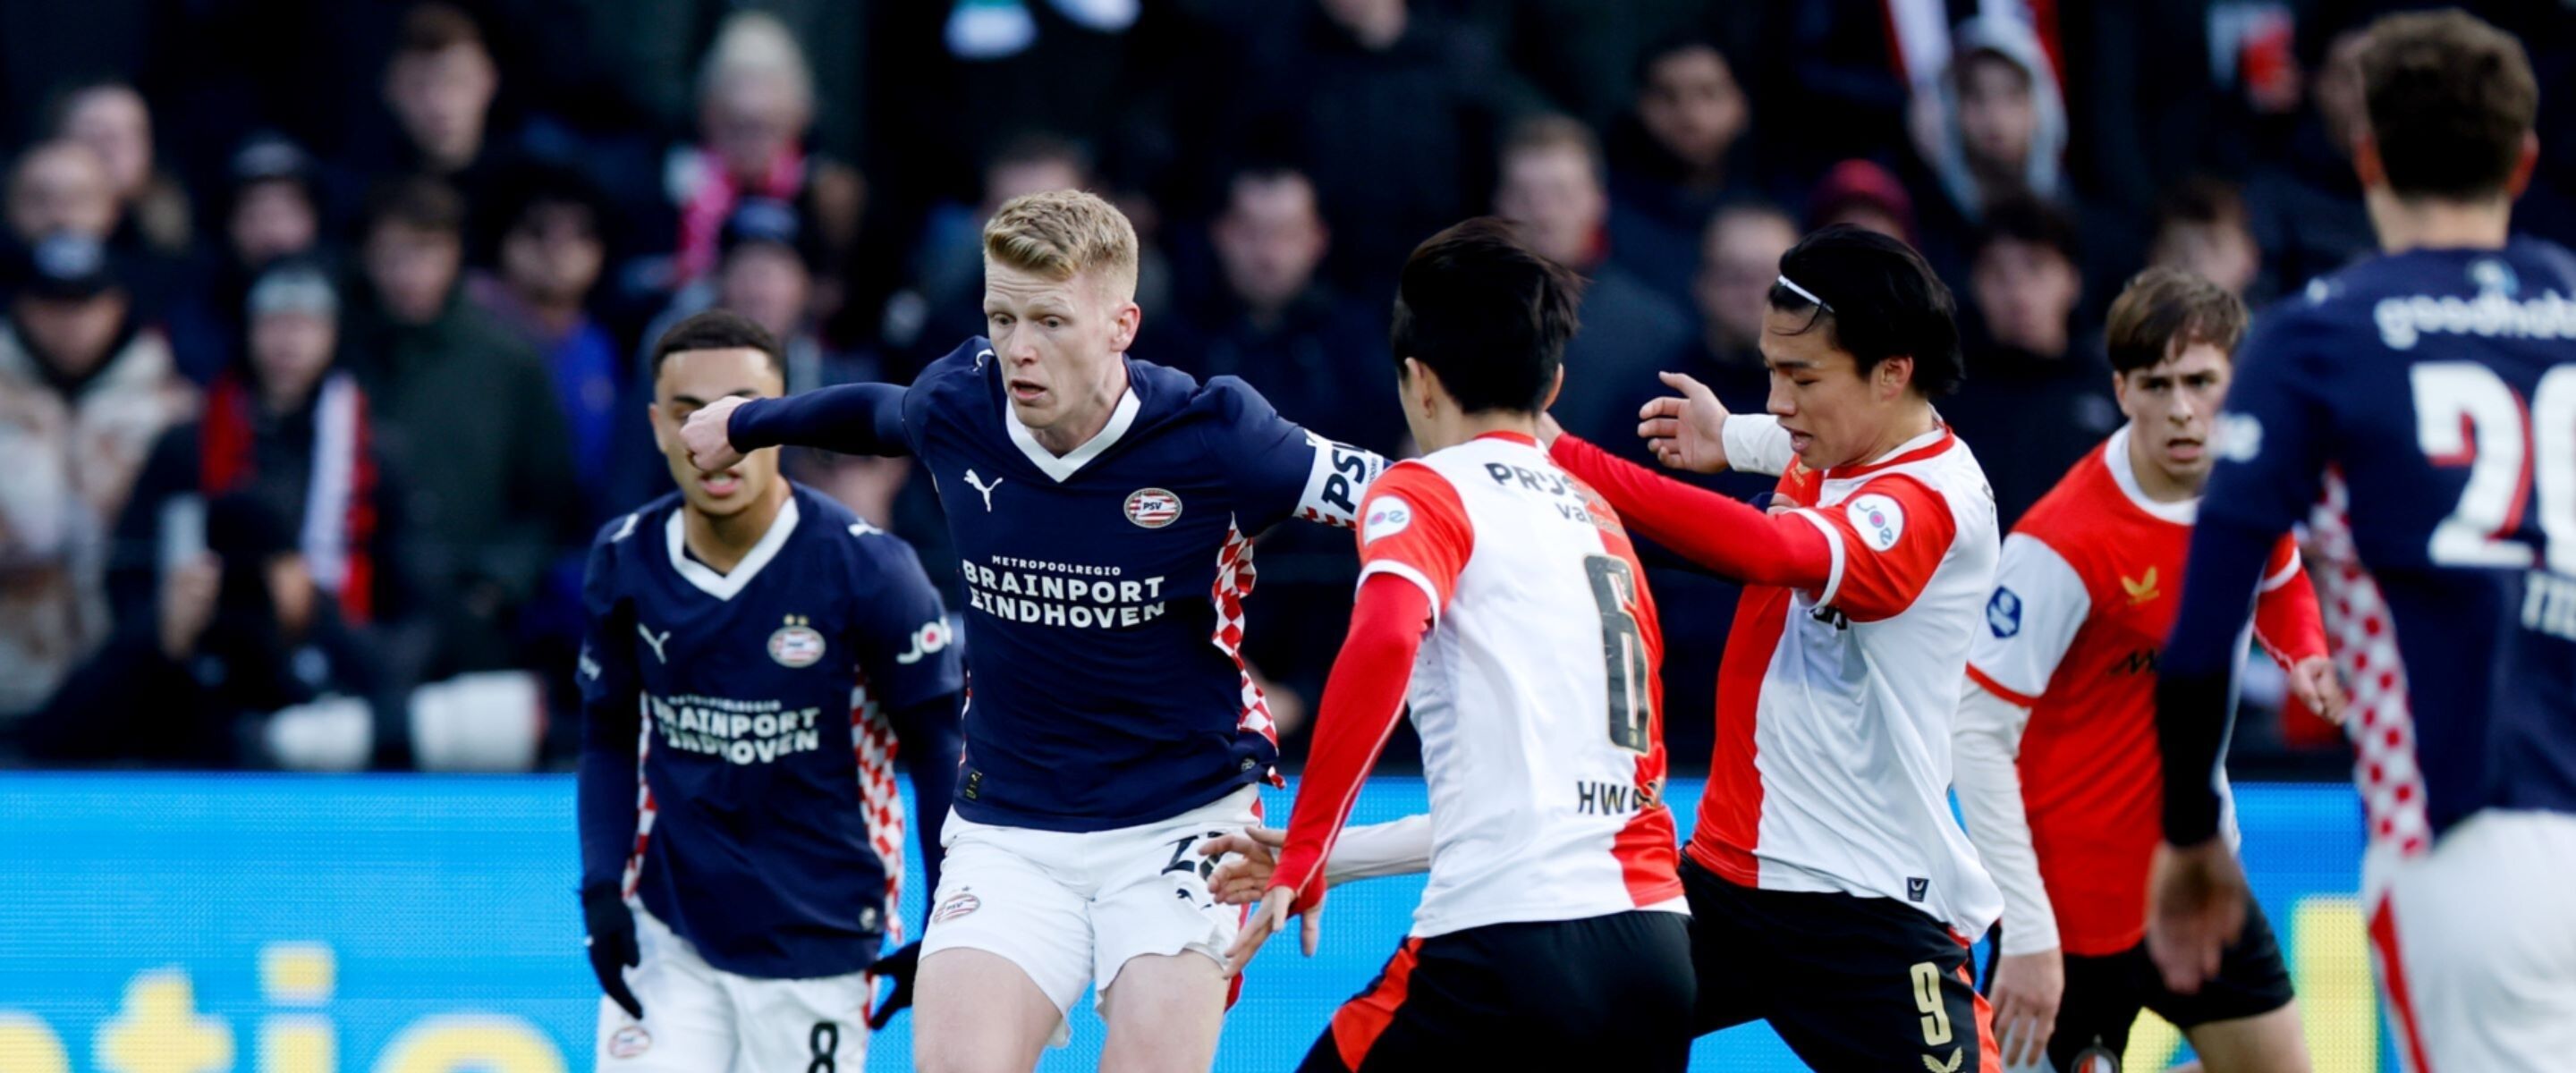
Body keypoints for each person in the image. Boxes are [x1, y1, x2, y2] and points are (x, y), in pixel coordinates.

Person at [1220, 225, 2004, 1069]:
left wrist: (1561, 454)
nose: (1779, 402)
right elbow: (1537, 808)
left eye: (1801, 377)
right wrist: (1730, 437)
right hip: (1711, 895)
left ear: (1892, 374)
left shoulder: (1934, 501)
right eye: (1771, 371)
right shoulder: (1829, 441)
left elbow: (1771, 551)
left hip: (1869, 910)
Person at [677, 189, 1388, 1073]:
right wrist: (745, 421)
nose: (1018, 348)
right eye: (1001, 317)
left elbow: (1405, 498)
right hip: (1010, 822)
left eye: (1050, 321)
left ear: (1122, 325)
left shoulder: (1220, 436)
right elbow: (878, 415)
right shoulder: (962, 405)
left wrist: (1535, 482)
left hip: (1183, 818)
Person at [2152, 12, 2576, 1069]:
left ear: (2369, 155)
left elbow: (2202, 634)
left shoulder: (2319, 336)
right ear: (2523, 160)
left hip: (2466, 843)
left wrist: (2190, 836)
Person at [1223, 218, 1696, 1071]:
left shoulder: (1426, 487)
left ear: (1418, 381)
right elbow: (1521, 809)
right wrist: (1336, 854)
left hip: (1504, 946)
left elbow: (1384, 638)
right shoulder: (1598, 521)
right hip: (1653, 955)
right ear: (1553, 385)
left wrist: (1309, 844)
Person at [1953, 268, 2338, 1070]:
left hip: (2197, 879)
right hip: (2070, 915)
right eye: (2157, 385)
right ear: (2123, 391)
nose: (2182, 409)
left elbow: (2280, 577)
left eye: (2201, 382)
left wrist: (2307, 653)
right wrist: (2028, 932)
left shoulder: (2250, 485)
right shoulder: (2061, 545)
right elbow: (1977, 738)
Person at [577, 309, 965, 1070]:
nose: (715, 440)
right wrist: (600, 894)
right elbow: (608, 737)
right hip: (670, 932)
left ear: (779, 421)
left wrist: (948, 923)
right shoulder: (625, 557)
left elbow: (939, 751)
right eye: (689, 414)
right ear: (658, 428)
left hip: (820, 938)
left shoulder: (871, 571)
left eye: (739, 414)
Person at [24, 262, 406, 769]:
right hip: (189, 683)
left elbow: (409, 596)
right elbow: (127, 570)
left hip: (328, 683)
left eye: (307, 324)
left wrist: (315, 611)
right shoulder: (187, 442)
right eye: (274, 323)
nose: (289, 341)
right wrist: (166, 622)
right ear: (247, 330)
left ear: (334, 334)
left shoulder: (373, 452)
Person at [343, 175, 581, 678]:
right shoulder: (338, 355)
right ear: (366, 257)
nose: (408, 273)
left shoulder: (509, 360)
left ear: (455, 253)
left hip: (477, 626)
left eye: (426, 252)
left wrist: (496, 586)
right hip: (354, 618)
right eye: (391, 255)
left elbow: (550, 500)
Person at [0, 232, 194, 723]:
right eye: (53, 305)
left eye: (86, 304)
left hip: (131, 694)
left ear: (117, 306)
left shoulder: (171, 409)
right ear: (23, 308)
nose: (71, 323)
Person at [1496, 114, 1693, 468]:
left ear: (1598, 200)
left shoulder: (1656, 330)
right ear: (1500, 203)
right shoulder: (1458, 316)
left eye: (1562, 195)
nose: (1543, 214)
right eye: (1525, 196)